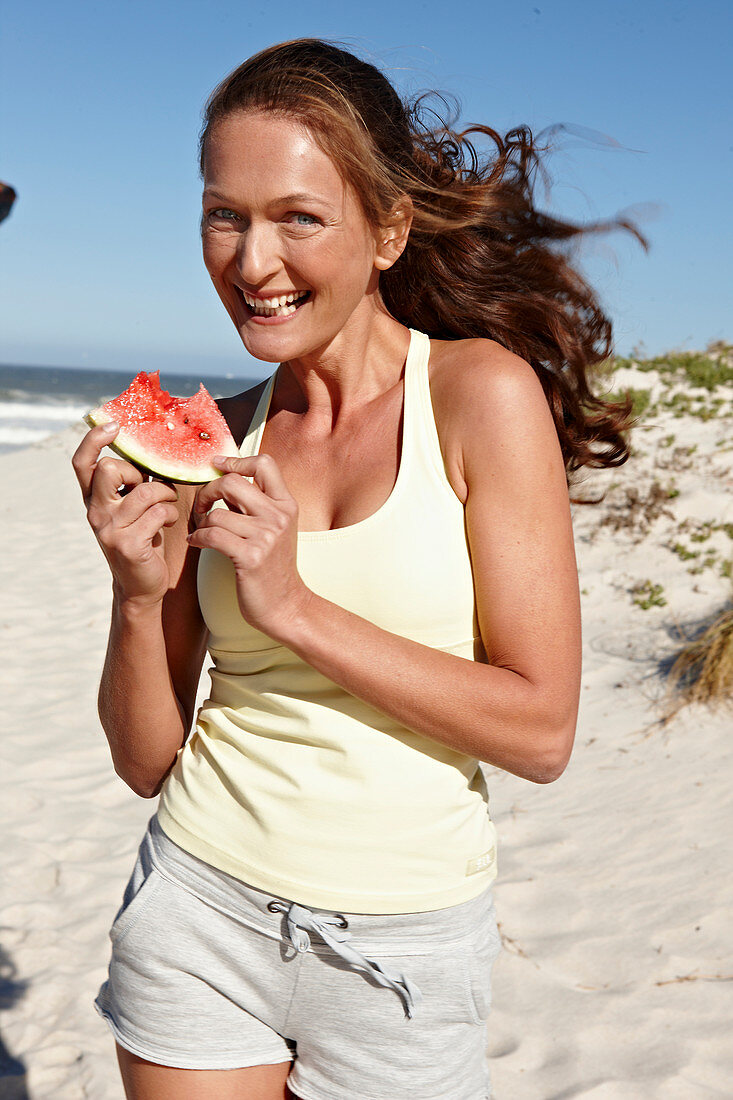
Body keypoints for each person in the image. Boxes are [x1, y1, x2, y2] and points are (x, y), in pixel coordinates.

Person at [72, 38, 641, 1100]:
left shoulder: (479, 398)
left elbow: (541, 728)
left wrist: (289, 604)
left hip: (403, 950)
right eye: (224, 214)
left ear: (386, 230)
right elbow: (147, 760)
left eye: (298, 217)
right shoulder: (221, 436)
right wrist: (137, 593)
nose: (250, 262)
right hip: (199, 905)